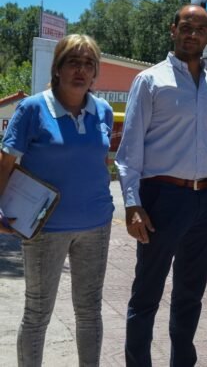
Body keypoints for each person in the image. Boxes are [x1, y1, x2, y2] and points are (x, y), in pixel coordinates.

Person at [115, 4, 207, 367]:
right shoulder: (151, 81)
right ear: (173, 30)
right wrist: (132, 203)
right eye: (186, 27)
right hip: (162, 199)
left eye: (200, 29)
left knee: (191, 295)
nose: (192, 34)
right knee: (146, 295)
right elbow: (129, 151)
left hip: (204, 204)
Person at [0, 34, 114, 367]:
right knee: (37, 311)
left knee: (90, 310)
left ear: (95, 72)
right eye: (73, 62)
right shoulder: (33, 109)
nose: (81, 70)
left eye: (88, 64)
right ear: (58, 68)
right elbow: (6, 164)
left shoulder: (103, 111)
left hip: (96, 226)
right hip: (44, 228)